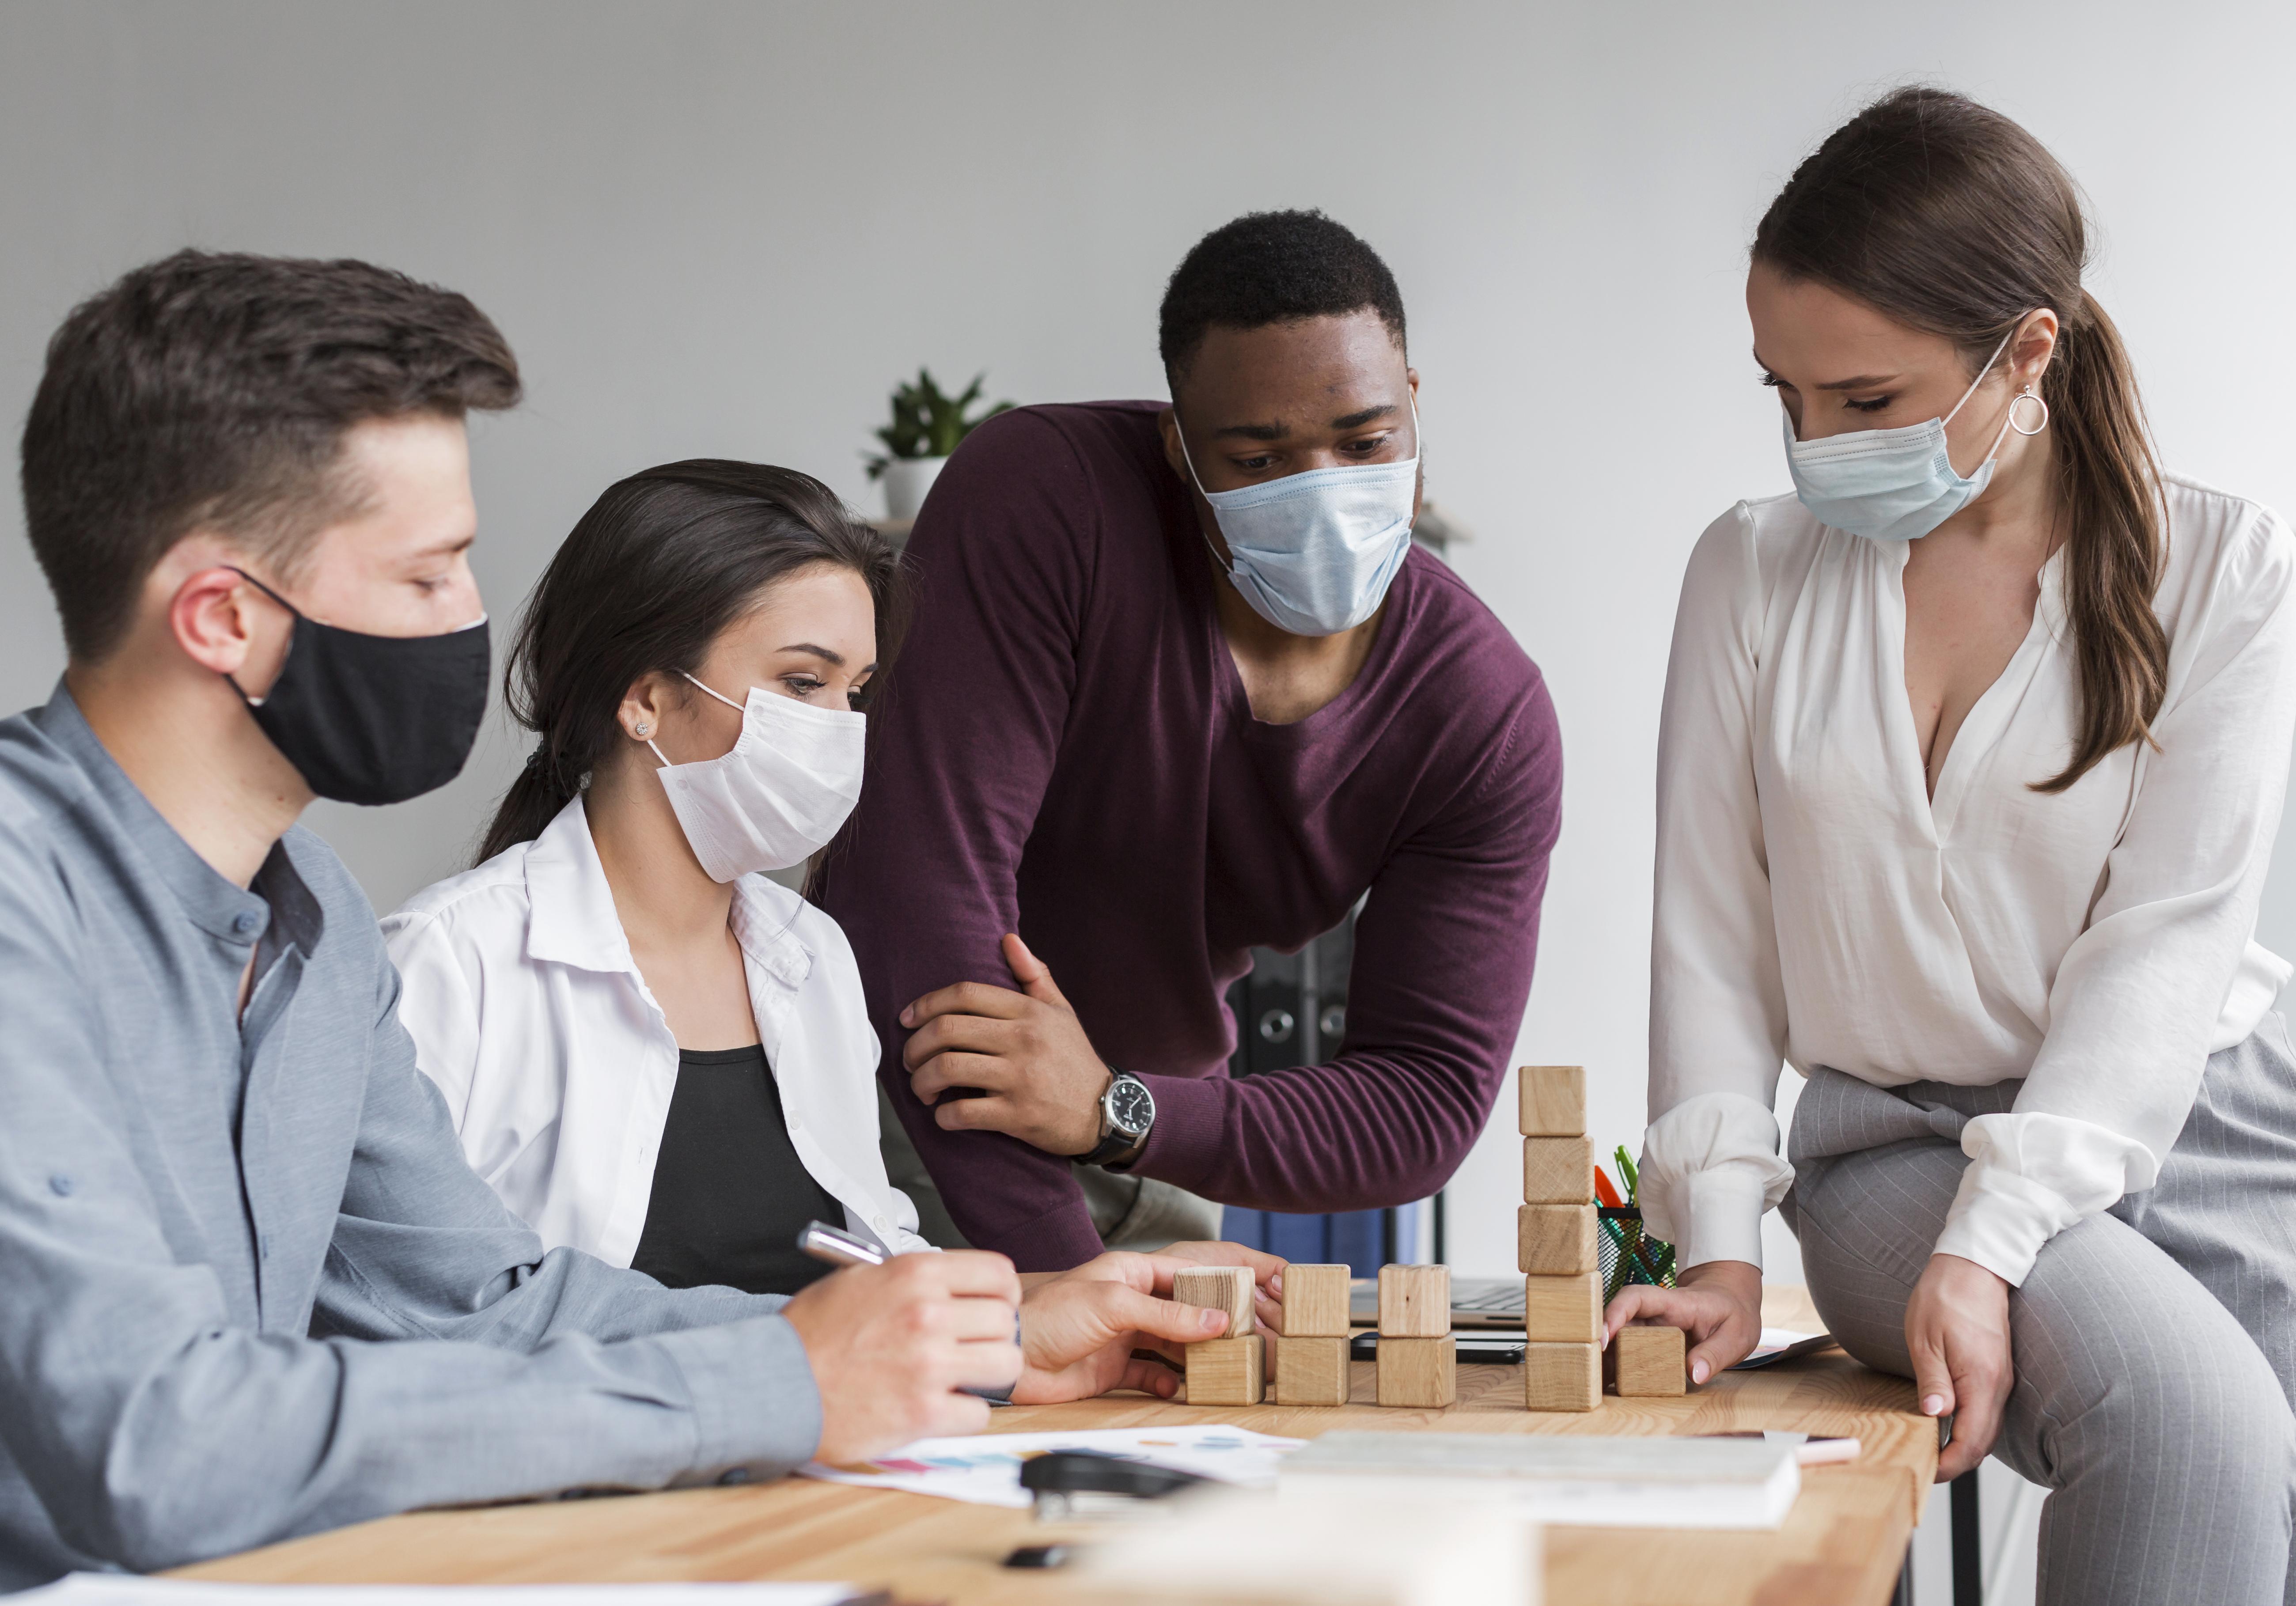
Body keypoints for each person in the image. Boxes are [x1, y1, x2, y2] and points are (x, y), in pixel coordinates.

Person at [0, 251, 1230, 1590]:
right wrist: (769, 1384)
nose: (472, 625)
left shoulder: (314, 926)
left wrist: (961, 1344)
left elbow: (489, 1301)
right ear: (223, 614)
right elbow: (156, 1440)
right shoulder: (24, 903)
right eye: (428, 579)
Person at [1613, 89, 2296, 1606]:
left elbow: (2165, 946)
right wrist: (1714, 1243)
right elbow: (1708, 936)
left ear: (2023, 352)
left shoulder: (2224, 568)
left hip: (2219, 1137)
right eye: (1784, 393)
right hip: (1896, 1142)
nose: (1810, 442)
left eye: (1863, 398)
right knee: (2196, 1430)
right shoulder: (1750, 571)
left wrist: (2007, 1239)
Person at [380, 458, 1281, 1379]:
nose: (841, 727)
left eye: (856, 690)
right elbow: (441, 1319)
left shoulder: (808, 955)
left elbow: (875, 1273)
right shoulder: (448, 969)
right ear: (646, 698)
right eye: (803, 683)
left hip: (830, 1478)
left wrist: (1073, 1306)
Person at [817, 210, 1563, 1269]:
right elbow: (916, 896)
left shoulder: (1482, 716)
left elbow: (1424, 1105)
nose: (1320, 493)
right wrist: (1070, 1278)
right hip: (893, 1128)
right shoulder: (1050, 497)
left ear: (1413, 404)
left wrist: (1117, 1118)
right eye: (1259, 458)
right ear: (1180, 447)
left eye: (1363, 444)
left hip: (1139, 1161)